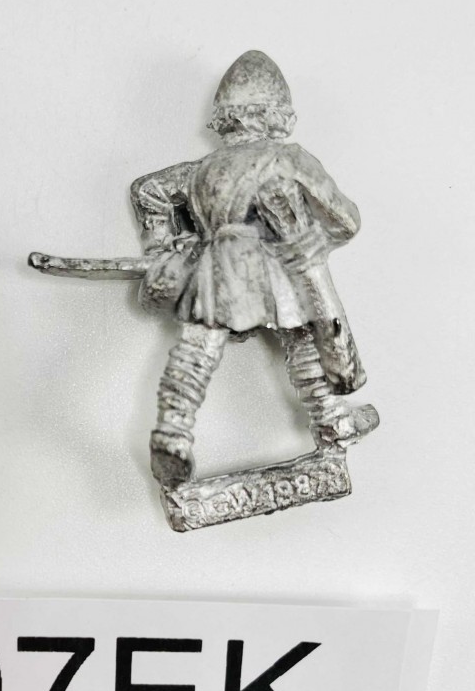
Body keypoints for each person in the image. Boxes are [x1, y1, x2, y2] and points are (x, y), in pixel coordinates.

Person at [132, 50, 378, 486]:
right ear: (277, 114)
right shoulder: (289, 158)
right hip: (282, 266)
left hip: (220, 264)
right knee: (303, 341)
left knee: (198, 348)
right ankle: (330, 418)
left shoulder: (199, 170)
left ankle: (173, 431)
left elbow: (148, 191)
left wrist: (162, 247)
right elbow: (346, 220)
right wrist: (317, 242)